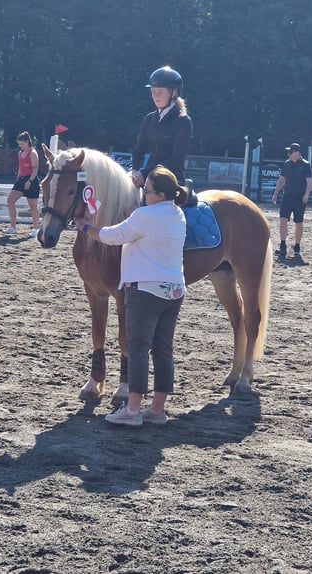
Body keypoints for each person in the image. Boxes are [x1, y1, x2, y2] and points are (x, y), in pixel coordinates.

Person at [74, 166, 188, 426]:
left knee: (137, 348)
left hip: (145, 289)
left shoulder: (145, 216)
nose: (143, 195)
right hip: (174, 290)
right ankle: (157, 410)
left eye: (146, 191)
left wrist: (86, 227)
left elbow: (112, 237)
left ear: (159, 194)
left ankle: (133, 410)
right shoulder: (178, 214)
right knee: (163, 350)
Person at [129, 66, 193, 187]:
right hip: (149, 180)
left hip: (171, 181)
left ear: (173, 93)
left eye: (160, 92)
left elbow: (176, 160)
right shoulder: (149, 119)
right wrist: (135, 170)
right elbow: (138, 150)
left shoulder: (183, 121)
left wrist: (145, 173)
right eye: (153, 92)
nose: (156, 96)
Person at [272, 143, 312, 258]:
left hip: (299, 198)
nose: (288, 154)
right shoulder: (287, 164)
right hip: (287, 196)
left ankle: (297, 245)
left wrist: (306, 195)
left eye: (290, 152)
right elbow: (281, 180)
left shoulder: (305, 165)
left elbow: (309, 183)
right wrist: (276, 193)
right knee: (283, 219)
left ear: (297, 153)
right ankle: (283, 244)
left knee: (298, 222)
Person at [4, 131, 40, 237]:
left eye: (22, 144)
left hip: (31, 180)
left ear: (28, 142)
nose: (20, 146)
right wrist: (18, 179)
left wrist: (29, 181)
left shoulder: (33, 153)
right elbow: (20, 167)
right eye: (19, 144)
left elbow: (35, 170)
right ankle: (13, 226)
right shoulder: (20, 153)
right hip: (21, 179)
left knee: (33, 206)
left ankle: (35, 228)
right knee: (10, 201)